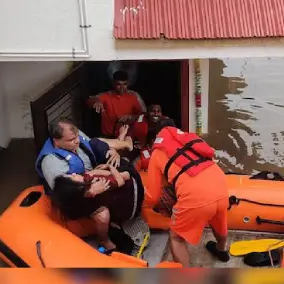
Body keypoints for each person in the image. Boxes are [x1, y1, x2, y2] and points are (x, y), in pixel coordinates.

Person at [144, 122, 230, 267]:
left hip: (196, 195)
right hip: (221, 184)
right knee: (219, 220)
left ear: (154, 140)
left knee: (176, 237)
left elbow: (153, 197)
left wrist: (144, 201)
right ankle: (221, 250)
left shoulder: (158, 153)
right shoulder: (187, 140)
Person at [35, 118, 122, 250]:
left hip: (90, 177)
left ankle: (116, 219)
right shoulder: (51, 162)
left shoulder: (75, 136)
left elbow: (92, 143)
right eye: (71, 140)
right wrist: (89, 191)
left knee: (122, 177)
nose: (77, 141)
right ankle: (104, 240)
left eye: (76, 137)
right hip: (75, 195)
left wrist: (111, 150)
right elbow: (64, 193)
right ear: (56, 142)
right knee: (102, 216)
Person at [52, 161, 145, 253]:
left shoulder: (88, 178)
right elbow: (122, 179)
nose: (73, 173)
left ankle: (107, 238)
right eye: (72, 177)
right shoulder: (101, 184)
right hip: (128, 199)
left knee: (124, 174)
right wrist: (110, 169)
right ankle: (105, 240)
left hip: (129, 192)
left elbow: (102, 173)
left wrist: (109, 169)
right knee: (103, 216)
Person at [87, 70, 147, 138]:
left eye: (125, 84)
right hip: (109, 137)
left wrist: (130, 117)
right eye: (119, 84)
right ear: (113, 83)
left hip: (128, 137)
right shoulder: (106, 96)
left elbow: (143, 115)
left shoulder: (133, 96)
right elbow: (89, 100)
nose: (122, 88)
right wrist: (96, 100)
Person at [115, 104, 175, 171]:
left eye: (158, 111)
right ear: (147, 113)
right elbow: (129, 140)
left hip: (161, 151)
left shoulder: (167, 122)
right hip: (141, 149)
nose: (156, 114)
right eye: (153, 111)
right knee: (126, 160)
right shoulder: (138, 123)